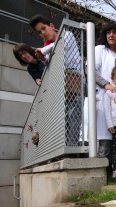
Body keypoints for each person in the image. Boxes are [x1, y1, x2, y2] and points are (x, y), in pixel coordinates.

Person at [29, 14, 82, 146]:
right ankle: (61, 147)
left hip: (74, 82)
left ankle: (71, 148)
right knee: (61, 120)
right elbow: (49, 64)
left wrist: (42, 51)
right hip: (60, 86)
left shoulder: (67, 34)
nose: (42, 33)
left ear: (52, 26)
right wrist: (42, 57)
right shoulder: (48, 48)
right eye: (39, 32)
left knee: (73, 116)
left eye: (43, 28)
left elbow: (58, 46)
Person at [94, 22, 116, 160]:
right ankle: (104, 167)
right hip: (104, 98)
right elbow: (89, 69)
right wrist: (106, 84)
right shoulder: (100, 50)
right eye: (108, 32)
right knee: (105, 134)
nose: (111, 35)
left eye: (115, 32)